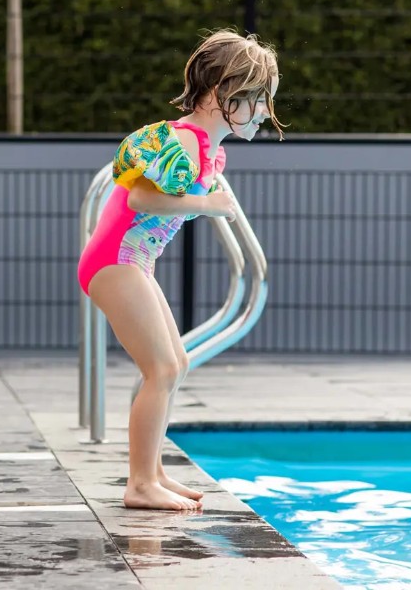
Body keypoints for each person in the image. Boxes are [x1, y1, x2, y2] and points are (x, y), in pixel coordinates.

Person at [77, 29, 284, 510]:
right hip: (114, 260)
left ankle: (151, 472)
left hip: (134, 262)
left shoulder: (212, 150)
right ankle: (139, 484)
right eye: (257, 99)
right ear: (220, 94)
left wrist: (208, 199)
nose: (264, 111)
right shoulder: (184, 141)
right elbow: (140, 197)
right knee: (162, 367)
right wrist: (208, 204)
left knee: (177, 365)